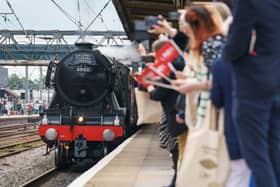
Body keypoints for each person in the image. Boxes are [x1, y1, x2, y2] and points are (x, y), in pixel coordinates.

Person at [222, 0, 280, 186]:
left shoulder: (249, 2)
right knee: (275, 151)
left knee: (256, 155)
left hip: (253, 86)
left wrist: (226, 52)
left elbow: (237, 44)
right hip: (276, 84)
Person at [147, 39, 187, 187]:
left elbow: (158, 94)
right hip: (180, 114)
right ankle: (176, 182)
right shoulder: (178, 64)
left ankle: (177, 182)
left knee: (179, 152)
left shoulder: (170, 68)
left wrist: (149, 86)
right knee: (179, 151)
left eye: (157, 55)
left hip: (177, 116)